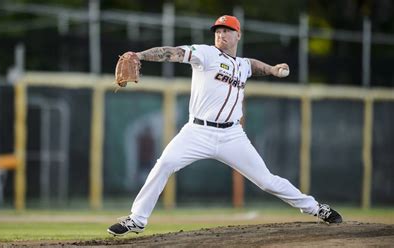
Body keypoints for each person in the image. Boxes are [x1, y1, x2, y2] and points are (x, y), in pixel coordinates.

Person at [107, 15, 342, 236]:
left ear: (238, 35)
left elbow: (251, 64)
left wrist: (271, 69)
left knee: (266, 181)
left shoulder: (241, 65)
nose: (221, 34)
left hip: (232, 135)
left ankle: (316, 208)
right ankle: (137, 219)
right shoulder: (206, 54)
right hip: (197, 131)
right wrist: (140, 54)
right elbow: (173, 53)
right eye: (218, 31)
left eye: (227, 30)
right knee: (164, 164)